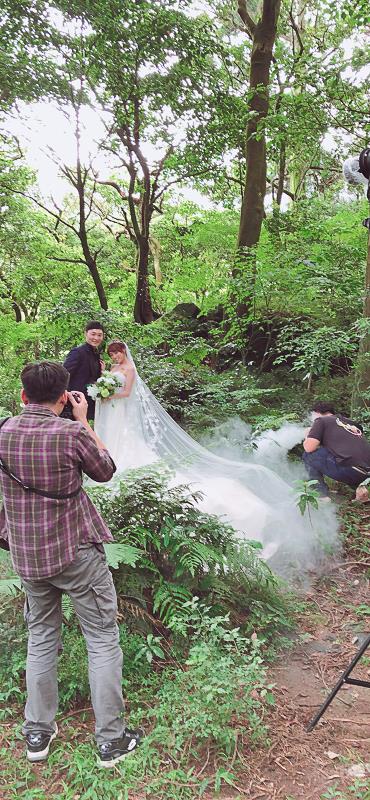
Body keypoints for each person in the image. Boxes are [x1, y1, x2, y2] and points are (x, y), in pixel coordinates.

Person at [0, 361, 142, 767]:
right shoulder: (72, 432)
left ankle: (37, 734)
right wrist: (83, 421)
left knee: (41, 637)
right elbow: (106, 471)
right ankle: (111, 740)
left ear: (23, 395)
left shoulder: (4, 431)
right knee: (100, 639)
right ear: (64, 397)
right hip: (76, 553)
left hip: (27, 556)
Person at [93, 341, 338, 572]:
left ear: (124, 352)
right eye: (112, 353)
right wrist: (103, 383)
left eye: (118, 352)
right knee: (112, 442)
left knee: (130, 446)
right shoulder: (112, 367)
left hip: (121, 410)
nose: (115, 356)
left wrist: (107, 394)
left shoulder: (130, 369)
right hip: (113, 414)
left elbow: (126, 393)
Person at [303, 401, 370, 497]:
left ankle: (321, 495)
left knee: (309, 456)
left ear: (316, 413)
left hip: (351, 471)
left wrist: (307, 435)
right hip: (366, 473)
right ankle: (362, 491)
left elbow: (309, 448)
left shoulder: (321, 420)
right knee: (334, 454)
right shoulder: (349, 423)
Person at [64, 321, 105, 420]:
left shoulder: (97, 355)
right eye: (93, 334)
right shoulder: (77, 352)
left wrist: (101, 372)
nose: (96, 338)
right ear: (86, 334)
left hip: (89, 403)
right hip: (74, 402)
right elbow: (64, 374)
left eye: (99, 335)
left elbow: (92, 378)